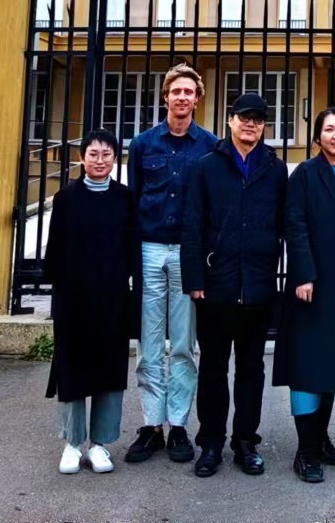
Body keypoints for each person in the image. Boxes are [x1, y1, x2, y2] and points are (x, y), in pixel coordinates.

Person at [182, 89, 288, 477]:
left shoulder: (275, 169)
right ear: (230, 120)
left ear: (264, 126)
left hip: (258, 286)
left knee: (251, 369)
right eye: (244, 117)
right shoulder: (207, 166)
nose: (250, 124)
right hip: (215, 286)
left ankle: (246, 441)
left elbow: (284, 224)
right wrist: (194, 278)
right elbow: (192, 225)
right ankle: (210, 443)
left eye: (258, 119)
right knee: (212, 368)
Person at [272, 107, 335, 483]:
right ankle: (306, 450)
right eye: (329, 129)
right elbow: (294, 225)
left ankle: (322, 438)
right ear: (318, 137)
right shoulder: (304, 175)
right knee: (307, 367)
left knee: (331, 363)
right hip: (312, 285)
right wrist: (303, 274)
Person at [124, 62, 217, 465]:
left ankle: (179, 424)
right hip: (149, 247)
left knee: (182, 343)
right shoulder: (143, 144)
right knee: (148, 342)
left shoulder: (209, 145)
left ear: (198, 98)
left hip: (186, 251)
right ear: (166, 96)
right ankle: (151, 425)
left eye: (189, 92)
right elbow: (134, 198)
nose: (182, 97)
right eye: (175, 91)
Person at [43, 128, 138, 475]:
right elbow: (54, 249)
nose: (100, 160)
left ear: (116, 159)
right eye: (93, 154)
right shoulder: (66, 198)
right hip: (73, 297)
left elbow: (130, 249)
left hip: (112, 295)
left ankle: (100, 444)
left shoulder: (126, 199)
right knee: (73, 367)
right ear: (82, 158)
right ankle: (72, 442)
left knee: (109, 369)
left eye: (107, 155)